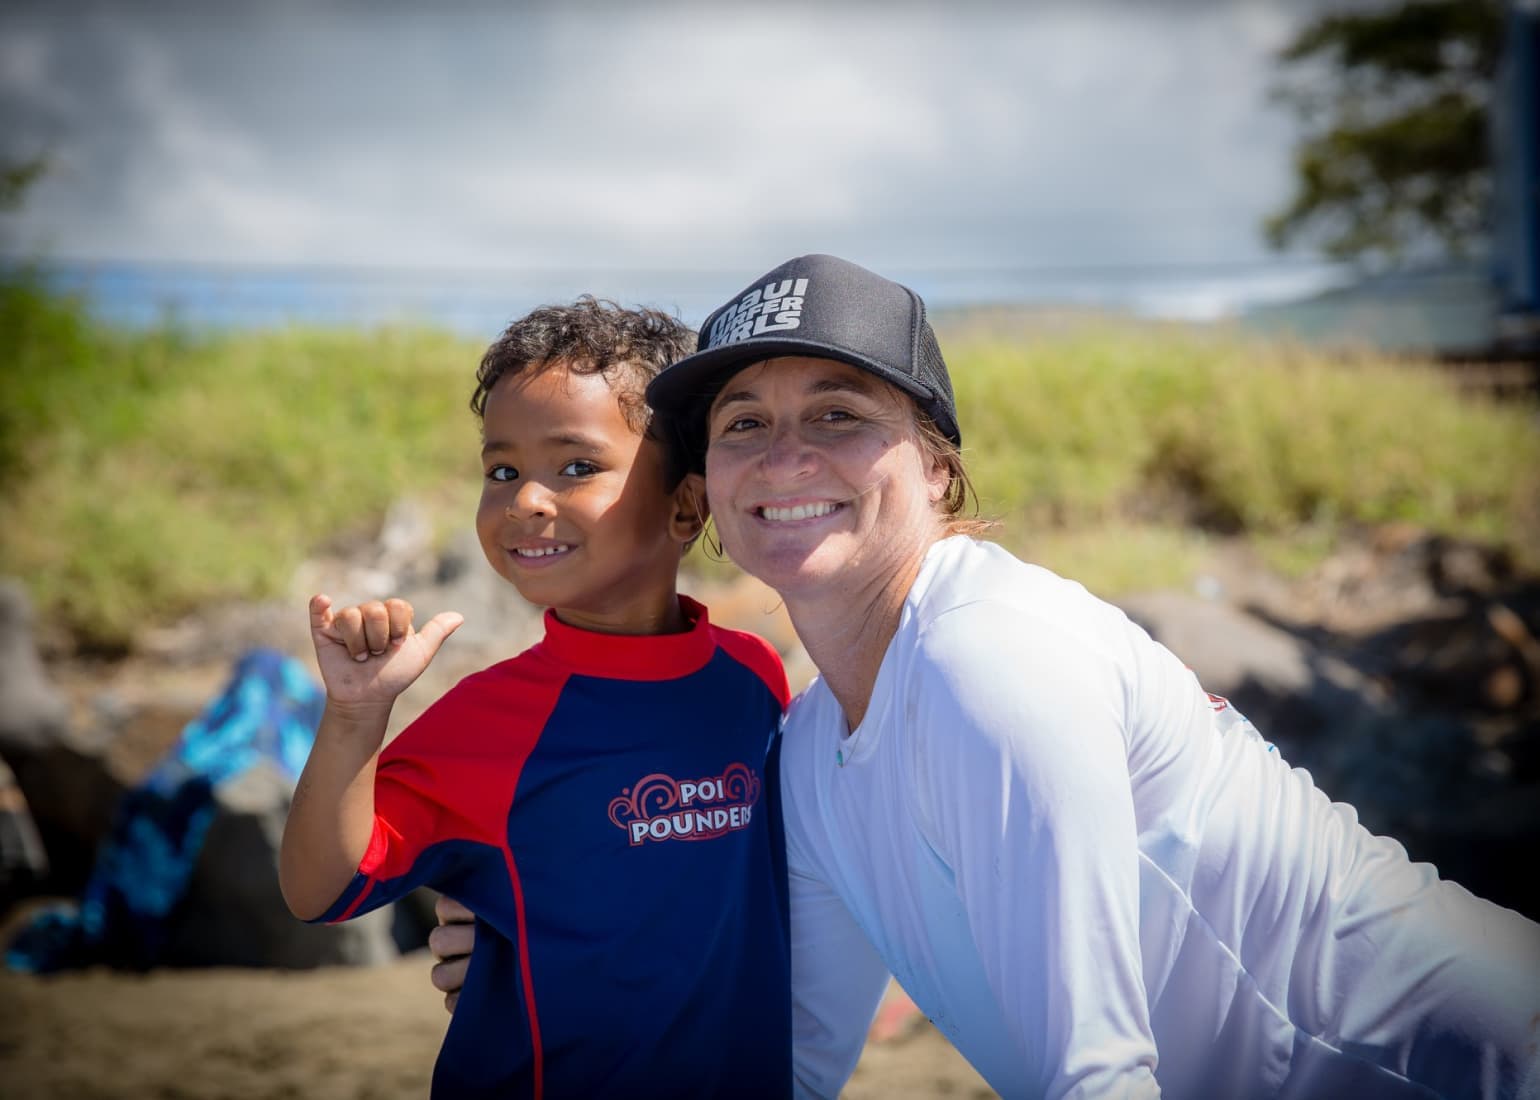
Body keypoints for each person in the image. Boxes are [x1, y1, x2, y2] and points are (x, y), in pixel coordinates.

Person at [432, 256, 1540, 1099]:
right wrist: (552, 945)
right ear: (705, 488)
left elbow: (1095, 1077)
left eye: (837, 416)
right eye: (742, 425)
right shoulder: (815, 742)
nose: (783, 459)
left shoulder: (988, 659)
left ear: (935, 464)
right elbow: (792, 1062)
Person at [278, 298, 793, 1100]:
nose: (525, 501)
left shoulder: (755, 678)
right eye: (503, 471)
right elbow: (321, 889)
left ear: (686, 505)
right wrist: (353, 718)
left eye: (577, 466)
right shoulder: (487, 726)